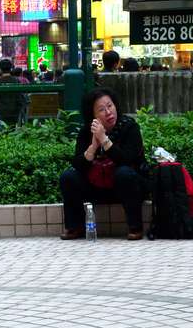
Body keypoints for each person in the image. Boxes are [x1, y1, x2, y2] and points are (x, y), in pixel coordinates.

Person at [59, 87, 148, 241]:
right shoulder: (86, 132)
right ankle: (75, 227)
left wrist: (104, 140)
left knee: (124, 173)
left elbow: (127, 159)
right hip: (96, 186)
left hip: (126, 186)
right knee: (68, 177)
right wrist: (93, 147)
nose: (108, 112)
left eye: (110, 106)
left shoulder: (129, 127)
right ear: (92, 115)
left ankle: (135, 227)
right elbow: (78, 165)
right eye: (101, 109)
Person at [0, 59, 26, 128]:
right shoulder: (16, 81)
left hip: (1, 112)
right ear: (11, 68)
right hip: (15, 112)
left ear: (0, 69)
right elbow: (20, 97)